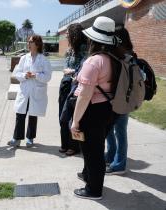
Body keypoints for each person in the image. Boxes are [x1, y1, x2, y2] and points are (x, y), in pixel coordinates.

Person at [70, 16, 118, 199]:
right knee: (97, 148)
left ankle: (93, 189)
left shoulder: (94, 61)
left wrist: (75, 121)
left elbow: (84, 95)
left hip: (93, 111)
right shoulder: (112, 58)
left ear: (93, 39)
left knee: (92, 153)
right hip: (108, 108)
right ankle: (91, 180)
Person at [8, 35, 52, 148]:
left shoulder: (43, 59)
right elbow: (17, 73)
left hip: (36, 91)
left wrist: (36, 75)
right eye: (28, 41)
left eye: (31, 41)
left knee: (33, 115)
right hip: (25, 90)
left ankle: (30, 138)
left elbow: (48, 77)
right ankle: (16, 138)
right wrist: (25, 75)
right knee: (20, 114)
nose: (28, 43)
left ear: (37, 44)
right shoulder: (24, 58)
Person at [105, 26, 134, 175]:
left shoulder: (124, 55)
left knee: (119, 131)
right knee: (112, 129)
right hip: (121, 98)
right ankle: (111, 156)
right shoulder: (128, 53)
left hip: (121, 99)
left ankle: (119, 164)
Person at [59, 23, 87, 156]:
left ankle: (74, 146)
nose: (66, 35)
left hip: (76, 88)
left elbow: (82, 71)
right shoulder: (69, 50)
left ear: (74, 34)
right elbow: (65, 69)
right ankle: (64, 144)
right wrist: (70, 72)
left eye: (68, 33)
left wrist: (72, 72)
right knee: (62, 116)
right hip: (65, 85)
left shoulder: (84, 50)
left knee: (74, 117)